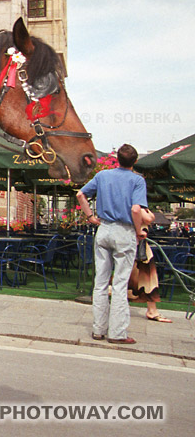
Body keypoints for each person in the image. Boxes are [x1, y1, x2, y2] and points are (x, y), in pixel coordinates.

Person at [76, 143, 148, 345]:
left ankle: (98, 329)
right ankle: (117, 333)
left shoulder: (103, 176)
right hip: (124, 230)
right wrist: (139, 230)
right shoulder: (137, 180)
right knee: (119, 284)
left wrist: (90, 216)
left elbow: (80, 194)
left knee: (100, 282)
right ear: (134, 161)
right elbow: (135, 209)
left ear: (117, 158)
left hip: (104, 228)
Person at [128, 206, 172, 323]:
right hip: (139, 245)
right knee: (148, 278)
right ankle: (152, 310)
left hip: (131, 245)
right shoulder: (137, 204)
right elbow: (148, 218)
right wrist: (148, 212)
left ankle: (151, 309)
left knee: (129, 277)